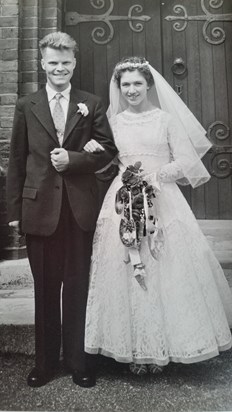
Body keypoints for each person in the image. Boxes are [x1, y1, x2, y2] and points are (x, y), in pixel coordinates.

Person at [84, 56, 232, 375]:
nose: (132, 89)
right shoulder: (113, 122)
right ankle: (136, 348)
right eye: (126, 84)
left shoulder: (165, 119)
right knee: (128, 265)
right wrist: (96, 152)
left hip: (162, 199)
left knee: (165, 266)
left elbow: (184, 162)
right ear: (119, 88)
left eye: (138, 83)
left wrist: (154, 177)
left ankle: (169, 343)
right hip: (123, 201)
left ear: (149, 85)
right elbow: (107, 159)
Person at [6, 31, 117, 388]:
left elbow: (108, 151)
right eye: (52, 63)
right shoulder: (27, 105)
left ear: (74, 63)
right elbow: (17, 159)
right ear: (42, 64)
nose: (59, 69)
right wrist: (14, 211)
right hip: (38, 210)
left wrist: (75, 159)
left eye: (66, 63)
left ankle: (77, 361)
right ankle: (44, 362)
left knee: (77, 286)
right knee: (45, 289)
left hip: (78, 209)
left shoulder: (91, 103)